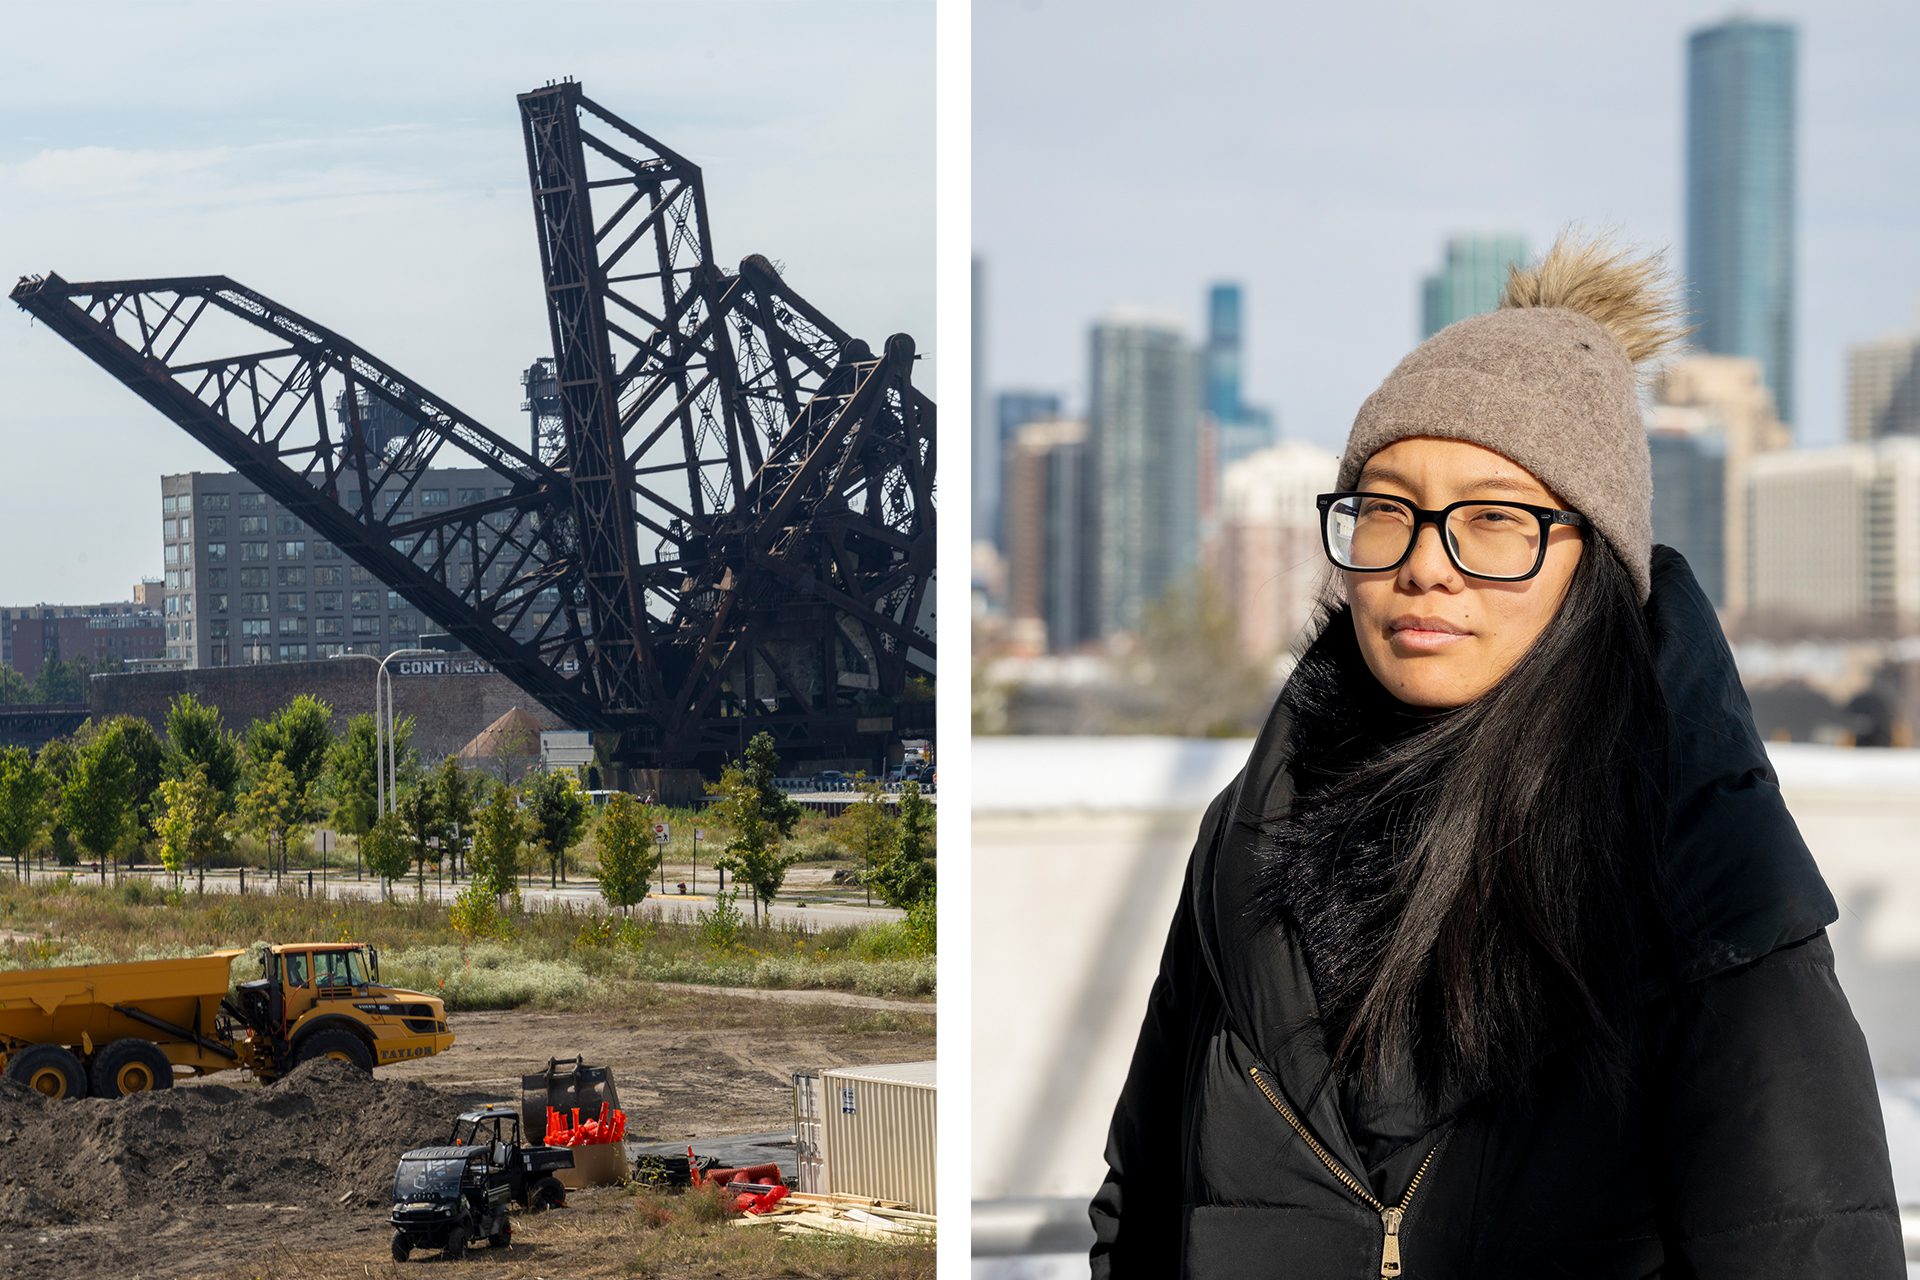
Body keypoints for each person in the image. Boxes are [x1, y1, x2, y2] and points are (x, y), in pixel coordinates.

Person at [1087, 233, 1903, 1278]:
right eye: (1386, 510)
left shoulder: (1703, 869)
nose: (1426, 565)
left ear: (1593, 556)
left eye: (1493, 520)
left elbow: (1807, 1248)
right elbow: (1144, 1204)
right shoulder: (1249, 835)